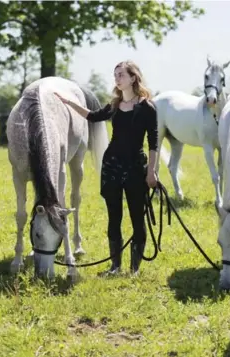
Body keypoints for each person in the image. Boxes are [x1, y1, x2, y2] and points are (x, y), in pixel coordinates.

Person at [54, 60, 158, 276]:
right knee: (114, 217)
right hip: (111, 166)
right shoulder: (114, 105)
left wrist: (151, 171)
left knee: (138, 218)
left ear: (133, 78)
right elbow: (92, 116)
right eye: (115, 75)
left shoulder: (147, 108)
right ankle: (115, 266)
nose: (117, 78)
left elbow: (153, 142)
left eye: (121, 74)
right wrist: (69, 102)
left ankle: (134, 268)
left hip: (136, 168)